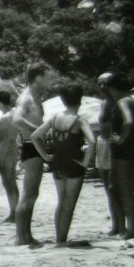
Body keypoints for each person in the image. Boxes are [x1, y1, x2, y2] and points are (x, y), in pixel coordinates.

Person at [31, 84, 95, 244]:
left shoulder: (54, 117)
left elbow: (34, 136)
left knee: (61, 202)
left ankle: (59, 237)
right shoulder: (79, 121)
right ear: (80, 101)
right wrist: (85, 162)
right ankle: (62, 239)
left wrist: (45, 156)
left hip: (57, 163)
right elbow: (92, 141)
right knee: (69, 204)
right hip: (74, 163)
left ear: (63, 101)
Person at [12, 63, 50, 245]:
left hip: (33, 145)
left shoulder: (35, 97)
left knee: (32, 194)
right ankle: (21, 237)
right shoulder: (26, 98)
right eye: (47, 77)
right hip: (30, 145)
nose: (49, 81)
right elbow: (16, 119)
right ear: (38, 78)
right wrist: (38, 130)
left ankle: (26, 234)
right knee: (28, 194)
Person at [105, 73, 134, 239]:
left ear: (113, 88)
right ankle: (125, 227)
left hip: (124, 151)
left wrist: (121, 139)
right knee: (115, 188)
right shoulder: (131, 101)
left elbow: (128, 121)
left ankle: (131, 229)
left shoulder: (122, 102)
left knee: (125, 190)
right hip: (125, 150)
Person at [96, 73, 122, 235]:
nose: (102, 87)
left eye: (105, 84)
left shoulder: (119, 103)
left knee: (116, 187)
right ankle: (116, 224)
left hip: (113, 145)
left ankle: (122, 225)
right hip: (103, 144)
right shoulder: (104, 104)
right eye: (99, 84)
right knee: (107, 187)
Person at [0, 85, 19, 223]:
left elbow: (3, 141)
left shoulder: (4, 118)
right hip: (14, 151)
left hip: (7, 153)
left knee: (8, 183)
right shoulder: (15, 114)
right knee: (12, 182)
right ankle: (16, 211)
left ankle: (13, 213)